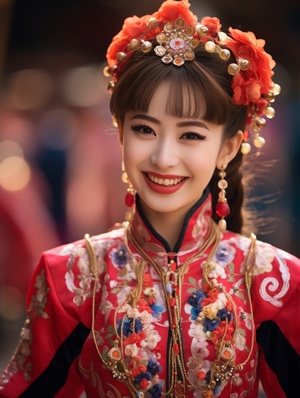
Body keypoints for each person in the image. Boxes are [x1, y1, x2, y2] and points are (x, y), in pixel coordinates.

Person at [0, 0, 299, 397]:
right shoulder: (71, 278)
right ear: (120, 132)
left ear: (228, 147)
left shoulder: (272, 280)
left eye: (191, 135)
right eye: (145, 129)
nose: (163, 157)